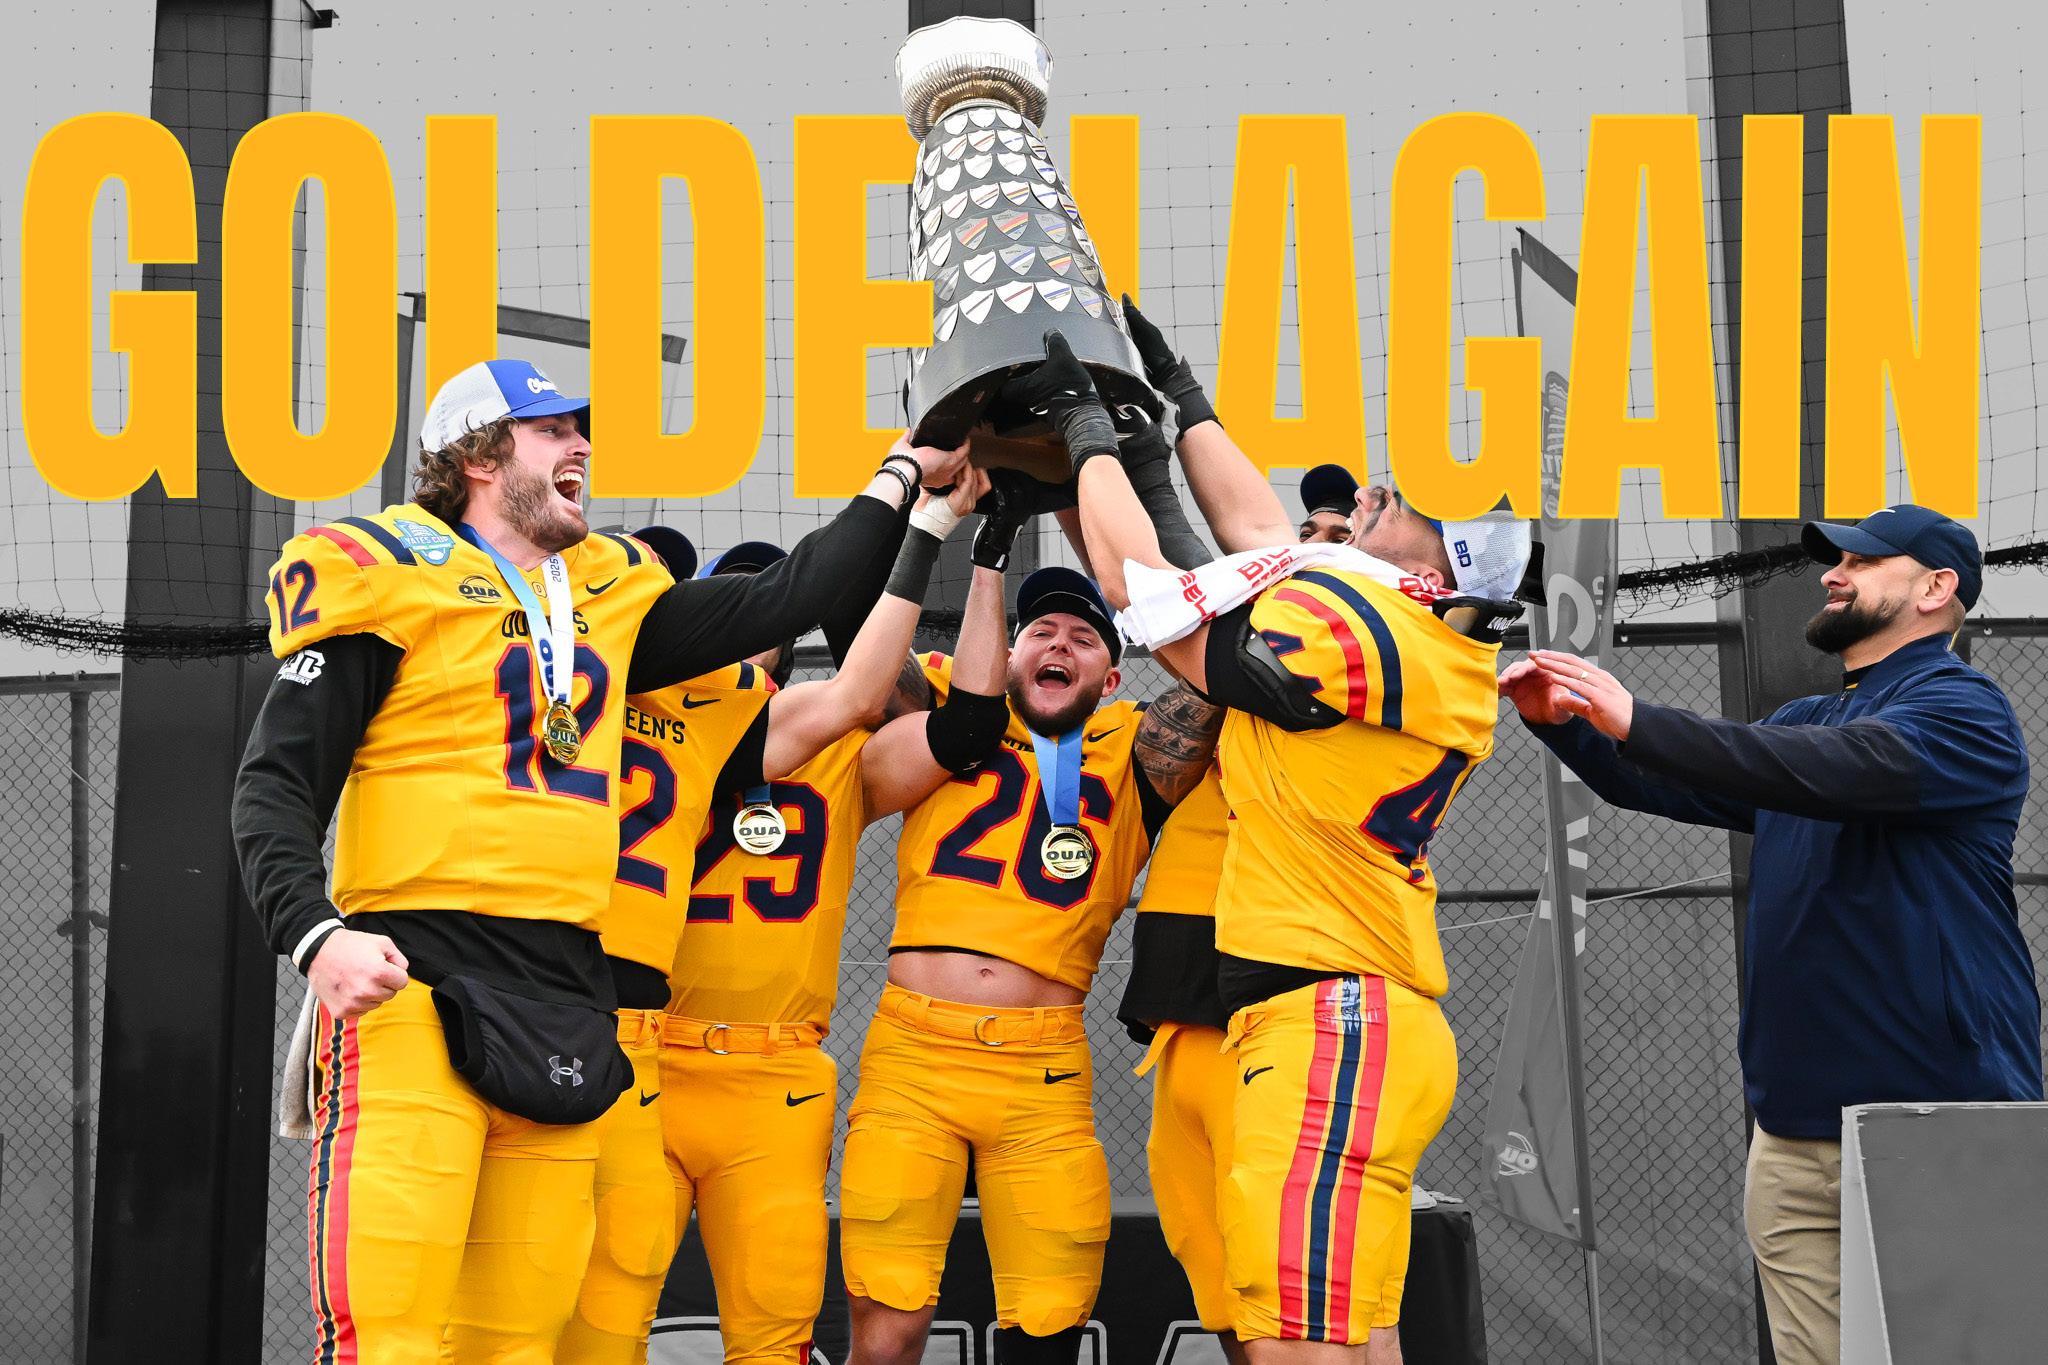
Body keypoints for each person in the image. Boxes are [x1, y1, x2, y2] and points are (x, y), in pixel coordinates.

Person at [232, 358, 967, 1363]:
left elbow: (790, 593)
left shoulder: (607, 594)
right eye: (550, 429)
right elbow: (274, 783)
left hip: (563, 994)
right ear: (478, 457)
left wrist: (904, 472)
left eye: (580, 428)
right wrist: (317, 936)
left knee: (519, 1343)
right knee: (391, 1338)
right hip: (416, 978)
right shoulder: (384, 569)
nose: (579, 445)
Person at [1038, 305, 1532, 1361]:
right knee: (1334, 1336)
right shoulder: (1409, 625)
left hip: (1329, 1013)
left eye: (1396, 503)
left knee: (1298, 1344)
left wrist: (1086, 439)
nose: (1370, 499)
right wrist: (1181, 409)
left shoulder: (1367, 621)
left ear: (1445, 556)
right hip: (1332, 1010)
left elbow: (1145, 598)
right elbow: (1261, 542)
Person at [1498, 504, 2040, 1365]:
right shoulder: (1806, 719)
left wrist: (1638, 716)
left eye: (1863, 561)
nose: (1834, 573)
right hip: (1791, 1134)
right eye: (1837, 560)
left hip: (1932, 1119)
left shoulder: (1965, 710)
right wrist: (1564, 722)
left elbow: (1836, 768)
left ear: (1937, 588)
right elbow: (1675, 779)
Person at [636, 472, 1022, 1365]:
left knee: (776, 1332)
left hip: (774, 1074)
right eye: (731, 607)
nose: (750, 629)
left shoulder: (842, 751)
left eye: (766, 612)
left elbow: (964, 729)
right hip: (647, 1055)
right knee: (600, 1321)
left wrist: (951, 538)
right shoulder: (638, 727)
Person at [839, 558, 1223, 1365]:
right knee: (887, 1321)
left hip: (1041, 1068)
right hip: (913, 1055)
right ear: (1008, 653)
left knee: (1049, 1322)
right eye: (1041, 630)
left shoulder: (1132, 744)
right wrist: (945, 540)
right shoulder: (948, 703)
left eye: (1083, 638)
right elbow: (867, 666)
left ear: (1111, 678)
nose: (1058, 644)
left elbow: (1221, 678)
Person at [1118, 461, 1368, 1365]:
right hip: (1184, 1018)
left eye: (1343, 539)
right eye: (1309, 537)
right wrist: (1236, 641)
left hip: (1284, 1017)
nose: (1320, 551)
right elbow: (1157, 761)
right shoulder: (1238, 671)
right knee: (1215, 1264)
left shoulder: (1367, 676)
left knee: (1304, 1287)